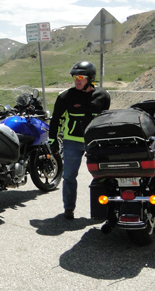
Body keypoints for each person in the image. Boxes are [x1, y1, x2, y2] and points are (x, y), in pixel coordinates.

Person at [49, 61, 110, 220]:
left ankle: (103, 209)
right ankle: (69, 209)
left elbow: (105, 120)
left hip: (95, 143)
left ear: (90, 78)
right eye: (75, 77)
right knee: (69, 176)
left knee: (102, 175)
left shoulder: (103, 96)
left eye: (81, 77)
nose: (77, 80)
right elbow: (56, 120)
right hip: (72, 142)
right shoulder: (65, 97)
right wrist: (52, 140)